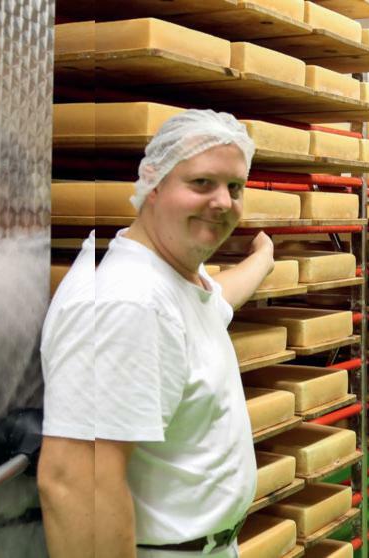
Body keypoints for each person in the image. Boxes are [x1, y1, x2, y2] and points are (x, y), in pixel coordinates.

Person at [38, 109, 273, 558]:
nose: (224, 202)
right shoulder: (130, 303)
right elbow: (73, 483)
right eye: (202, 183)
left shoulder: (175, 280)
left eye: (235, 187)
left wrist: (263, 257)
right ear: (153, 184)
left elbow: (215, 300)